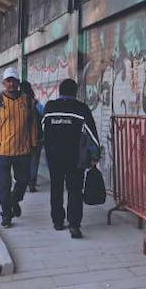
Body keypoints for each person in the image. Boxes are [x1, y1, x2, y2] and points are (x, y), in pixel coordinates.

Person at [41, 78, 100, 239]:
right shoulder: (81, 109)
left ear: (60, 91)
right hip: (75, 159)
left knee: (56, 188)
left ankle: (58, 221)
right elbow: (91, 134)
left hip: (54, 157)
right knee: (75, 191)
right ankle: (74, 225)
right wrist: (95, 155)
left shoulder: (49, 108)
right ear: (76, 92)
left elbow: (42, 130)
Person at [0, 68, 39, 228]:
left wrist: (34, 145)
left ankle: (14, 201)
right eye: (8, 81)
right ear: (3, 83)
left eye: (14, 81)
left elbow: (33, 125)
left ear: (18, 82)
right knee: (4, 185)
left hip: (23, 151)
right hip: (3, 151)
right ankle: (6, 215)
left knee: (23, 181)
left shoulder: (27, 100)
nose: (11, 84)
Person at [20, 80, 45, 192]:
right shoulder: (36, 103)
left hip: (21, 137)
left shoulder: (17, 103)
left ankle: (22, 181)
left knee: (22, 161)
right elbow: (43, 113)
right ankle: (32, 183)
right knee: (34, 161)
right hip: (37, 137)